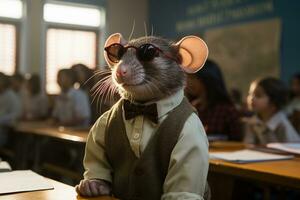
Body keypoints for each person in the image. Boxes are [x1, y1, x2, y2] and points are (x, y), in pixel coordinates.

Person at [185, 59, 242, 141]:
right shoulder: (191, 108)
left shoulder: (227, 111)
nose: (188, 82)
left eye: (193, 78)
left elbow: (237, 142)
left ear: (208, 78)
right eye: (187, 77)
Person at [243, 77, 300, 144]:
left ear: (274, 101)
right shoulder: (253, 121)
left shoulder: (282, 124)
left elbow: (293, 149)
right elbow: (248, 145)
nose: (252, 98)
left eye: (258, 95)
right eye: (250, 94)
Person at [0, 72, 22, 146]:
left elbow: (16, 115)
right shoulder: (2, 95)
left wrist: (1, 119)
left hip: (5, 133)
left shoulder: (11, 96)